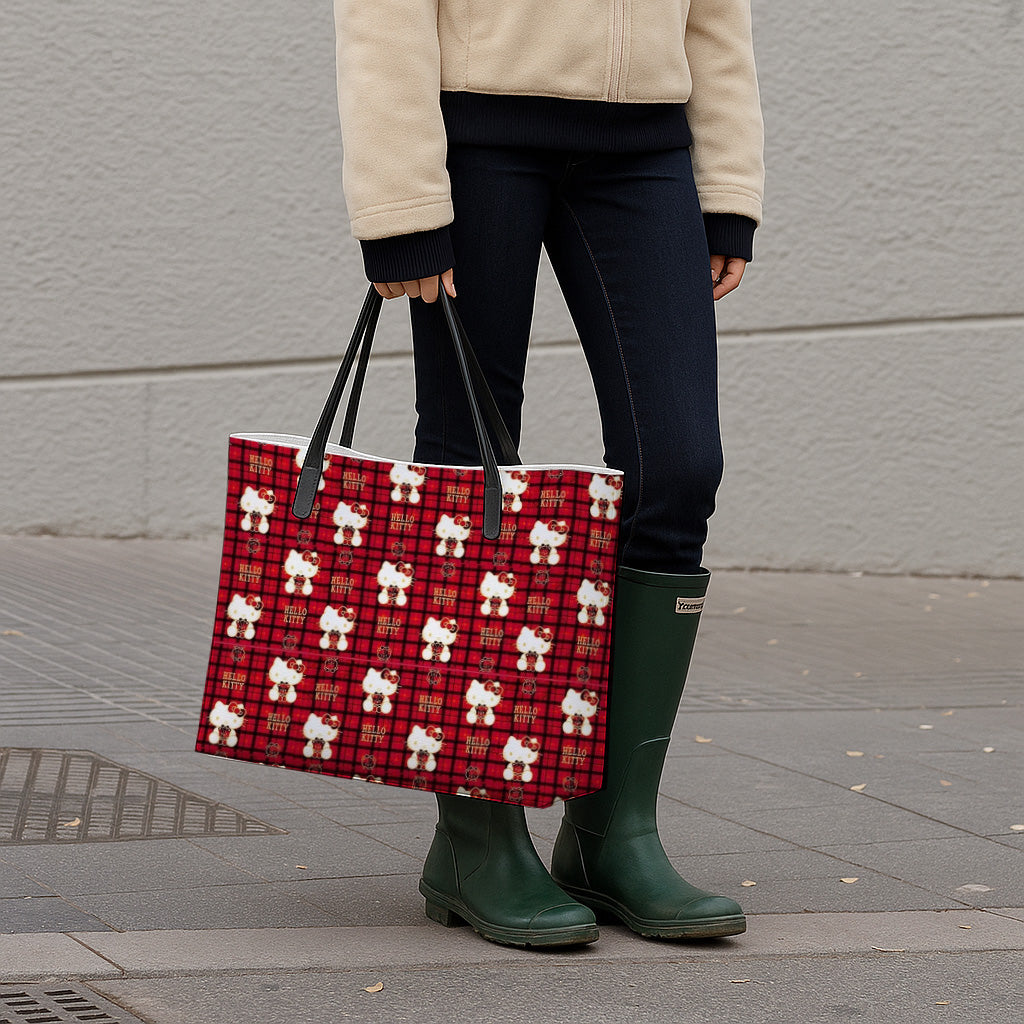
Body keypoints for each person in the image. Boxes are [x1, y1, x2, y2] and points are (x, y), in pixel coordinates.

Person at [332, 0, 764, 949]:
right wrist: (401, 202)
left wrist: (726, 178)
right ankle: (476, 839)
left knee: (681, 465)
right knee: (471, 472)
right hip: (476, 139)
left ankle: (614, 836)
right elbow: (381, 15)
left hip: (648, 150)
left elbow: (717, 15)